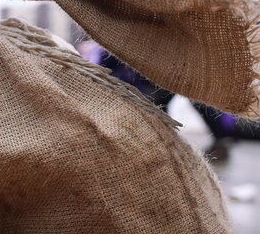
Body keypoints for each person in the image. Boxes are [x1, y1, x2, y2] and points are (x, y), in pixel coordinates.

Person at [99, 53, 236, 162]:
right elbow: (105, 69)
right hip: (137, 78)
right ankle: (156, 140)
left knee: (199, 92)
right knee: (151, 105)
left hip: (174, 64)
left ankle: (222, 141)